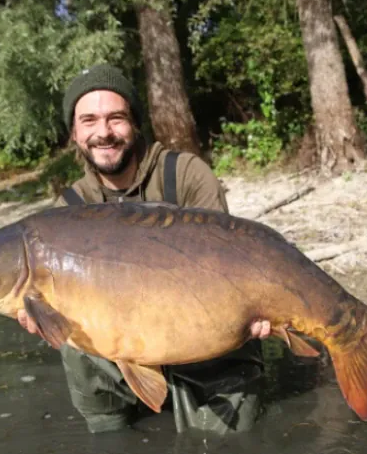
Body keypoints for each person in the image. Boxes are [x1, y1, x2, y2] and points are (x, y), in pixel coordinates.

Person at [17, 63, 271, 435]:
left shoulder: (185, 176)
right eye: (88, 120)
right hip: (120, 355)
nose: (103, 133)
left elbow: (228, 266)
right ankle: (113, 424)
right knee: (74, 333)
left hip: (200, 337)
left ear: (134, 123)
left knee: (225, 439)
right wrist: (42, 318)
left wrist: (253, 308)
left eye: (116, 118)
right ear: (74, 133)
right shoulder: (67, 212)